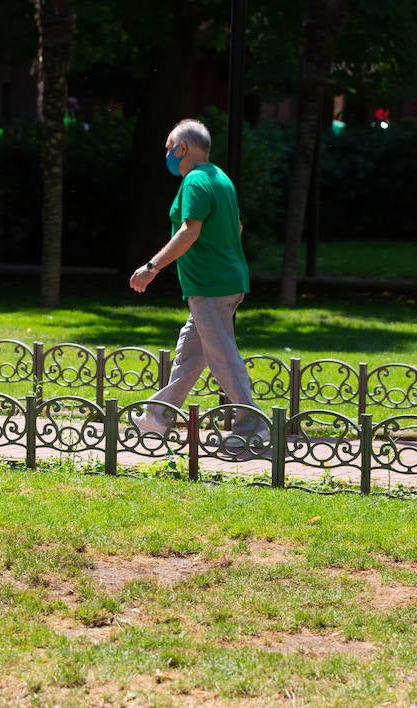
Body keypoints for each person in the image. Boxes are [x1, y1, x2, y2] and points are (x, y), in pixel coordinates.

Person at [127, 118, 268, 455]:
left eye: (169, 148)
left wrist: (152, 267)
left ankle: (254, 427)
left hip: (210, 286)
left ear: (183, 148)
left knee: (221, 355)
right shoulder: (221, 179)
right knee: (191, 354)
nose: (168, 154)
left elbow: (189, 231)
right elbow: (237, 227)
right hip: (226, 282)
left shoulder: (193, 182)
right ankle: (157, 417)